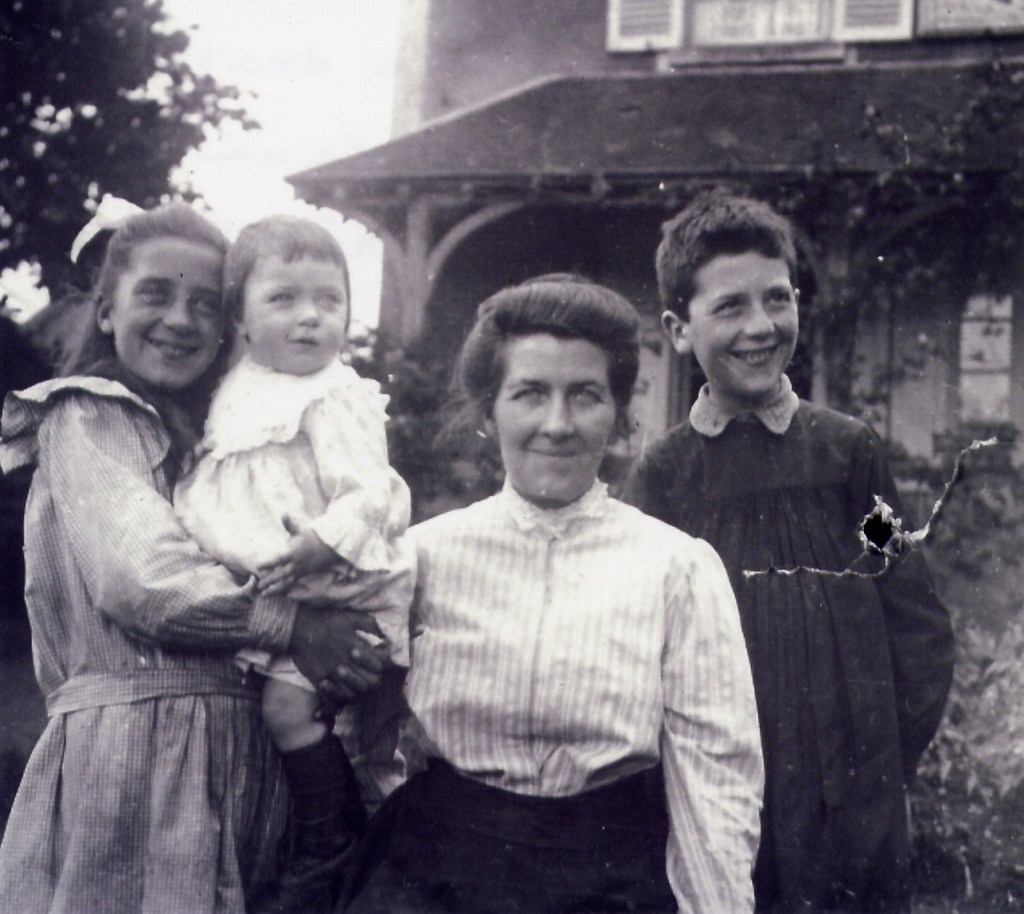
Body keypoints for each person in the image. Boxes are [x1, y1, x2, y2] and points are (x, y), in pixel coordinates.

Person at [0, 202, 384, 914]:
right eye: (155, 294)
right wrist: (293, 626)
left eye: (205, 304)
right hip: (138, 754)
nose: (180, 319)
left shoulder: (215, 442)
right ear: (107, 310)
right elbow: (145, 583)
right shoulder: (91, 415)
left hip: (231, 751)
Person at [342, 274, 764, 914]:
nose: (557, 424)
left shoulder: (676, 568)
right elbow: (363, 737)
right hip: (437, 876)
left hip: (609, 880)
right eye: (530, 394)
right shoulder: (420, 557)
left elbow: (717, 778)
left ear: (617, 414)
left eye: (585, 395)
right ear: (490, 412)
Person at [624, 191, 956, 913]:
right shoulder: (665, 479)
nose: (760, 326)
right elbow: (631, 652)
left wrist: (879, 767)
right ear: (679, 330)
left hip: (849, 806)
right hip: (716, 804)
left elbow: (916, 621)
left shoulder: (847, 458)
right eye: (730, 307)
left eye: (777, 298)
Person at [174, 215, 414, 913]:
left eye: (328, 300)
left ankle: (329, 842)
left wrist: (324, 539)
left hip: (338, 582)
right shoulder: (235, 387)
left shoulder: (333, 394)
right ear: (240, 318)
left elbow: (372, 492)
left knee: (288, 712)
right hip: (280, 588)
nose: (310, 317)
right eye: (283, 299)